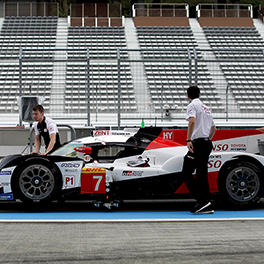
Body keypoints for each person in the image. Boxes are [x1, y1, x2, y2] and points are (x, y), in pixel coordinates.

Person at [182, 86, 216, 214]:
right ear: (199, 94)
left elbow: (191, 122)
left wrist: (188, 140)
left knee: (186, 171)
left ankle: (203, 201)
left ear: (188, 96)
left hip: (198, 143)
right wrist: (207, 139)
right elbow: (214, 128)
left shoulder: (192, 105)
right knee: (202, 172)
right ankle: (206, 201)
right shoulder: (206, 108)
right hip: (207, 142)